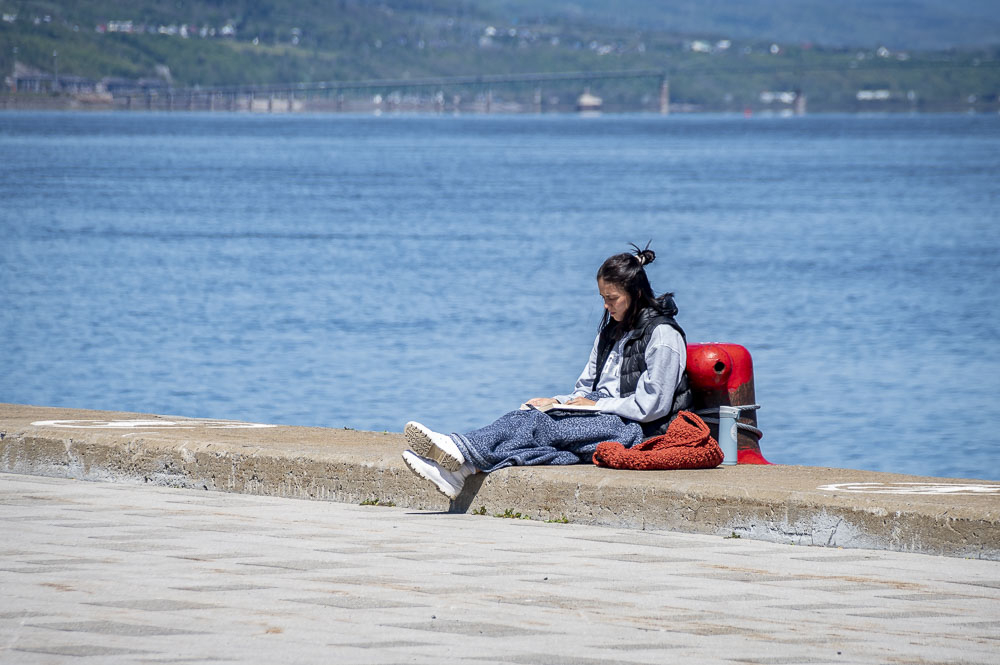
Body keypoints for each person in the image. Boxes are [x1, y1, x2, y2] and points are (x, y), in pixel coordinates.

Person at [402, 243, 691, 499]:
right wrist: (558, 401)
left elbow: (652, 406)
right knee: (531, 416)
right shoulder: (611, 331)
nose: (605, 305)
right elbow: (585, 388)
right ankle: (460, 471)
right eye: (602, 296)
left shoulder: (663, 337)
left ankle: (456, 446)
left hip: (639, 429)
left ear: (635, 293)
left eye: (612, 298)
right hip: (603, 413)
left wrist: (595, 406)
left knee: (542, 426)